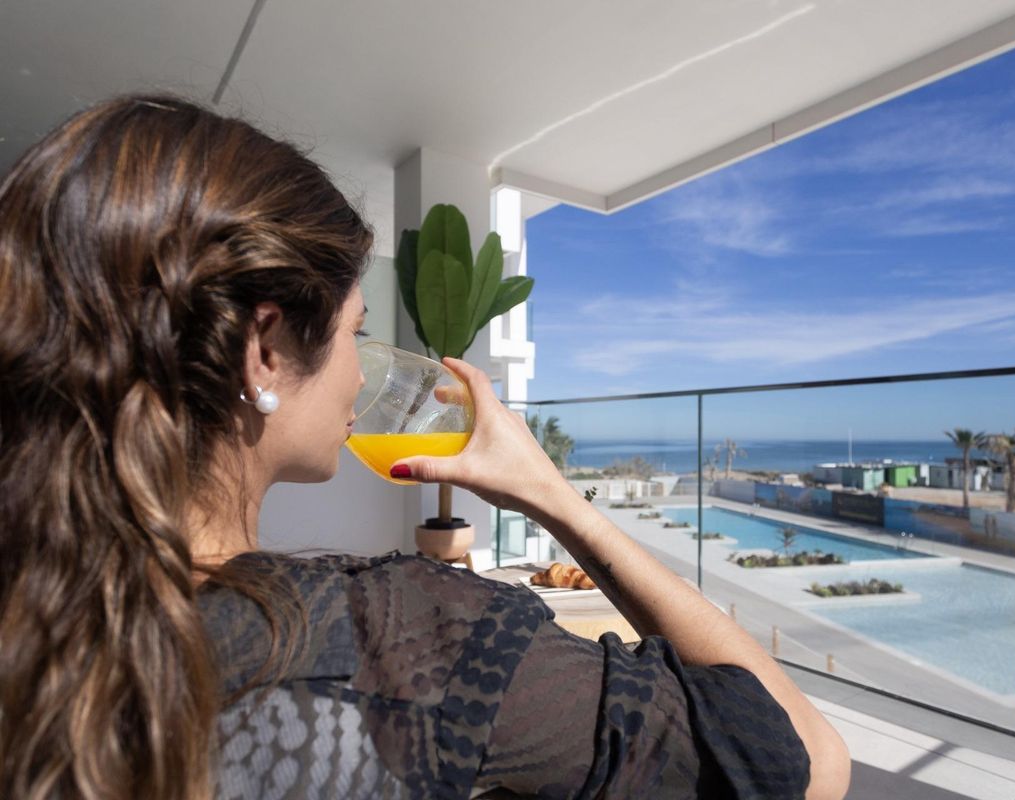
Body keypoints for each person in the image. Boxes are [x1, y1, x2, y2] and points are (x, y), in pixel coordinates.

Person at [0, 95, 850, 800]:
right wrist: (552, 496)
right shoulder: (408, 640)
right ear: (263, 351)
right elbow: (806, 761)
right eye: (354, 335)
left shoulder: (34, 613)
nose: (359, 377)